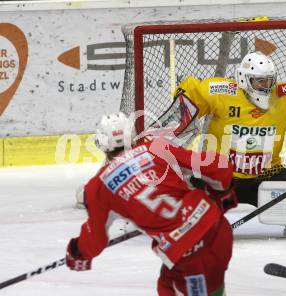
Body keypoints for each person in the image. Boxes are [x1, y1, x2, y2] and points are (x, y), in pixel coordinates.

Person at [65, 113, 238, 296]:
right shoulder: (156, 147)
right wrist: (222, 195)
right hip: (216, 229)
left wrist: (78, 253)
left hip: (189, 254)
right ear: (132, 134)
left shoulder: (97, 187)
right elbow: (220, 167)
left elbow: (95, 240)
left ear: (100, 142)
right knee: (167, 287)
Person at [176, 51, 286, 207]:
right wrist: (180, 115)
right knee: (191, 209)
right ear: (244, 79)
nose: (266, 86)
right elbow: (189, 97)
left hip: (268, 174)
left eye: (269, 80)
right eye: (260, 81)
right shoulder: (221, 92)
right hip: (221, 175)